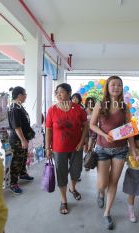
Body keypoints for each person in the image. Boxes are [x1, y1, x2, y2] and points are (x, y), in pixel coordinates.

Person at [90, 76, 138, 230]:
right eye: (113, 84)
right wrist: (104, 135)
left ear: (121, 88)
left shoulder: (125, 106)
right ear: (108, 87)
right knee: (103, 183)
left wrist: (134, 150)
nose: (116, 87)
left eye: (119, 85)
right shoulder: (100, 104)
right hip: (102, 149)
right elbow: (92, 124)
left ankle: (107, 212)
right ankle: (101, 193)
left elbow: (129, 131)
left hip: (120, 150)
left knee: (113, 182)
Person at [45, 83, 88, 215]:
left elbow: (85, 126)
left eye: (61, 92)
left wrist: (82, 142)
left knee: (76, 171)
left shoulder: (78, 109)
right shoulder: (52, 110)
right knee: (61, 173)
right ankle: (63, 200)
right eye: (56, 92)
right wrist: (47, 148)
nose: (58, 94)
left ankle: (72, 187)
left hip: (76, 147)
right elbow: (48, 130)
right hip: (59, 149)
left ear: (69, 93)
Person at [8, 86, 35, 194]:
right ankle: (13, 183)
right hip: (17, 139)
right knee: (17, 161)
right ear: (20, 95)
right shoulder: (14, 108)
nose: (26, 96)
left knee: (23, 157)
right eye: (25, 94)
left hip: (23, 138)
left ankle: (23, 173)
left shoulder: (19, 107)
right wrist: (23, 140)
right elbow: (17, 127)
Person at [122, 131, 139, 223]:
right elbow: (126, 158)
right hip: (131, 174)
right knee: (131, 194)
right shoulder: (130, 150)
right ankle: (131, 212)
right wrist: (133, 157)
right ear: (133, 142)